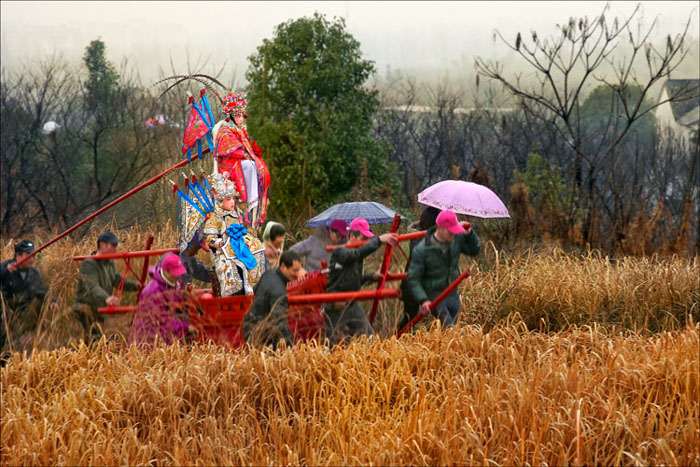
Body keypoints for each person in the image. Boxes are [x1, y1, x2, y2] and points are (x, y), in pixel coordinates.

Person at [323, 218, 398, 346]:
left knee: (369, 339)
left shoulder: (357, 256)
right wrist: (379, 240)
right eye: (363, 238)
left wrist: (372, 277)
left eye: (366, 239)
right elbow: (355, 255)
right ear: (352, 235)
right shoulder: (340, 251)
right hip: (336, 304)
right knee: (332, 345)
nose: (365, 242)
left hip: (352, 303)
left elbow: (352, 279)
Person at [407, 210, 480, 328]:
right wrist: (423, 300)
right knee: (449, 329)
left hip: (453, 293)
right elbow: (413, 278)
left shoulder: (455, 239)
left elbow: (474, 251)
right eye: (450, 231)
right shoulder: (422, 250)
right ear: (440, 228)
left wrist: (470, 235)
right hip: (436, 296)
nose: (453, 234)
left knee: (455, 328)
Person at [213, 91, 270, 230]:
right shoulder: (225, 130)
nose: (241, 119)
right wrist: (243, 154)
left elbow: (246, 149)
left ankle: (254, 205)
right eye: (238, 116)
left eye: (242, 116)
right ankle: (249, 202)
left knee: (258, 168)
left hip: (238, 161)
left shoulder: (240, 130)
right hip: (229, 164)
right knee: (250, 166)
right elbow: (228, 149)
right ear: (231, 116)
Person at [202, 172, 266, 296]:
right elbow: (209, 239)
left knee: (258, 252)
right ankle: (236, 293)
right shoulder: (215, 217)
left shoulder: (238, 213)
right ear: (220, 201)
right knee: (231, 265)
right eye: (228, 199)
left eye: (233, 199)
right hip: (224, 252)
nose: (232, 202)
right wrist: (220, 243)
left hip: (240, 246)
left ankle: (257, 289)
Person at [73, 231, 139, 343]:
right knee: (94, 342)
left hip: (98, 308)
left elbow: (116, 280)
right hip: (86, 309)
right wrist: (107, 298)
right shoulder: (89, 264)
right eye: (113, 245)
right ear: (103, 245)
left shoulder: (109, 262)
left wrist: (135, 286)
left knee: (98, 341)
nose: (116, 248)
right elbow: (92, 286)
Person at [1, 240, 58, 363]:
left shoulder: (33, 274)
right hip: (3, 318)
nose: (32, 259)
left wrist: (52, 301)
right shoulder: (5, 269)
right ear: (18, 256)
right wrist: (5, 272)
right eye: (28, 255)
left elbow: (42, 290)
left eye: (33, 255)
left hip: (22, 319)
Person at [129, 254, 195, 347]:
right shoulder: (153, 291)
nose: (179, 276)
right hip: (150, 338)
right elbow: (161, 321)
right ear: (166, 271)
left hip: (166, 336)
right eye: (176, 273)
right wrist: (186, 327)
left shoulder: (175, 283)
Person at [241, 250, 302, 349]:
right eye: (294, 270)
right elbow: (279, 320)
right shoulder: (279, 291)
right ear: (283, 266)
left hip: (249, 326)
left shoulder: (268, 274)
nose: (296, 274)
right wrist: (290, 345)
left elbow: (255, 290)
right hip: (261, 333)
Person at [398, 206, 441, 331]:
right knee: (409, 317)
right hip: (414, 284)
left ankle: (402, 338)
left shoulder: (425, 235)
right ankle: (398, 339)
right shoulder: (419, 237)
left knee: (413, 317)